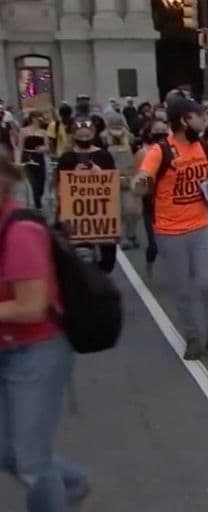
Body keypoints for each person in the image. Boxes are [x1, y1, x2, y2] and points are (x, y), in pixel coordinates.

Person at [0, 148, 92, 512]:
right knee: (9, 452)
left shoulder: (20, 230)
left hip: (36, 351)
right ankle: (72, 482)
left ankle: (60, 492)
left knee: (32, 462)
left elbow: (31, 306)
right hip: (8, 348)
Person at [135, 97, 208, 362]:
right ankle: (192, 336)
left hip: (201, 224)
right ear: (184, 120)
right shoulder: (161, 150)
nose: (204, 120)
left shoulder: (202, 145)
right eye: (199, 115)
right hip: (170, 230)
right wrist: (141, 182)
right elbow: (144, 176)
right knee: (182, 288)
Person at [54, 117, 118, 274]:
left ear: (93, 134)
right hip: (76, 215)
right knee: (79, 260)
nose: (84, 138)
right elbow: (59, 186)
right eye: (80, 135)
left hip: (103, 216)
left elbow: (113, 184)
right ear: (74, 135)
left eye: (87, 135)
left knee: (108, 262)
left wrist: (100, 174)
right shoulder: (66, 158)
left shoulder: (104, 156)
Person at [134, 119, 168, 275]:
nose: (161, 133)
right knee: (154, 243)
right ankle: (150, 260)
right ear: (150, 133)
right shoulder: (143, 153)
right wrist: (138, 201)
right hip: (151, 202)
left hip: (170, 201)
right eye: (157, 130)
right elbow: (138, 179)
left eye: (164, 129)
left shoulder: (173, 150)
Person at [102, 114, 140, 249]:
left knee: (133, 210)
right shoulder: (104, 137)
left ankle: (132, 234)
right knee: (118, 210)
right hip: (112, 177)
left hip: (129, 176)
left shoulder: (129, 137)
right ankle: (123, 237)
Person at [16, 111, 49, 210]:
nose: (40, 120)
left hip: (39, 157)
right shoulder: (24, 131)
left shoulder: (43, 132)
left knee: (41, 181)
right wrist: (18, 161)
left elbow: (47, 146)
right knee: (33, 182)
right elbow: (20, 147)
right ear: (33, 118)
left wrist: (43, 148)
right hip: (28, 156)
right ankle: (37, 205)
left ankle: (38, 199)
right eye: (38, 117)